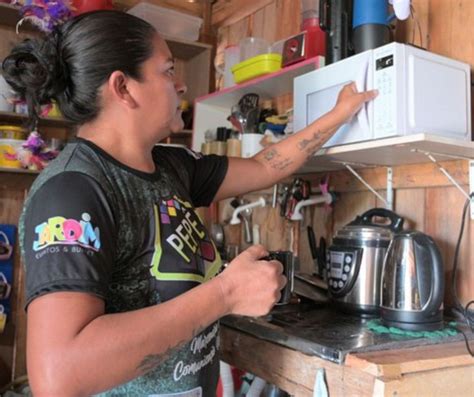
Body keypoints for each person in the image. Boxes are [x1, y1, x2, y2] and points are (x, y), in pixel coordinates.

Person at [2, 10, 377, 397]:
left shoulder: (172, 166)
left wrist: (338, 115)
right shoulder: (74, 190)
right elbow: (59, 374)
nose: (180, 85)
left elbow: (265, 166)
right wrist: (225, 294)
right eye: (167, 71)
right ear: (124, 88)